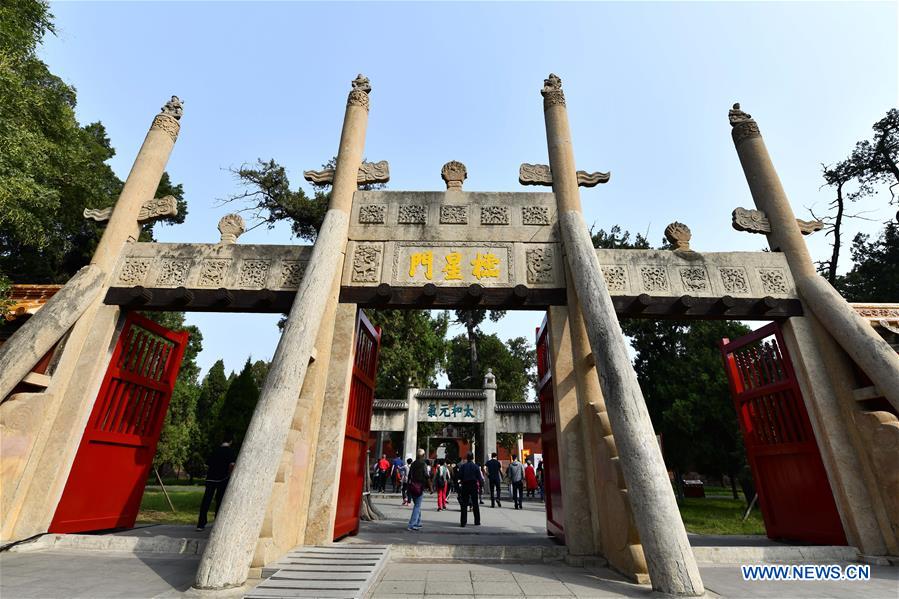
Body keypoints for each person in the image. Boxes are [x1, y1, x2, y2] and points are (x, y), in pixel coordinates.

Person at [196, 435, 236, 531]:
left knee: (206, 500)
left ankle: (201, 524)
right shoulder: (230, 451)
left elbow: (208, 463)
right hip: (222, 478)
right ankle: (217, 523)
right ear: (230, 441)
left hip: (210, 478)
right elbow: (232, 465)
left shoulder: (215, 450)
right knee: (219, 500)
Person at [455, 452, 482, 527]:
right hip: (473, 485)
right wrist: (480, 487)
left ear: (467, 458)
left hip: (465, 485)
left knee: (464, 504)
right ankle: (477, 521)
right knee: (475, 503)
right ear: (473, 458)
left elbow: (459, 476)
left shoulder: (463, 466)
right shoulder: (476, 467)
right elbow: (479, 478)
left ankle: (463, 522)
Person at [407, 449, 430, 531]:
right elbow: (427, 476)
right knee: (417, 506)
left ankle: (418, 523)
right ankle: (411, 524)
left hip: (412, 486)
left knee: (417, 505)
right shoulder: (423, 464)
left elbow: (409, 476)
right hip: (420, 486)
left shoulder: (412, 464)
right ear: (423, 456)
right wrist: (430, 487)